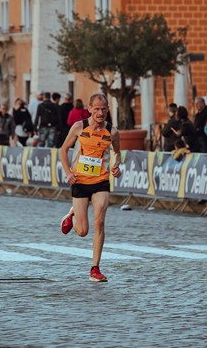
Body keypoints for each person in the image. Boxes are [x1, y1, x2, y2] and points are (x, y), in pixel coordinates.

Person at [59, 93, 122, 282]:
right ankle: (72, 215)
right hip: (79, 181)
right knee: (83, 231)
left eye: (104, 109)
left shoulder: (113, 132)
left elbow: (117, 153)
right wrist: (68, 172)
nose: (100, 113)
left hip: (101, 181)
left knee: (100, 223)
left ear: (108, 110)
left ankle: (95, 268)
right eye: (96, 109)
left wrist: (117, 166)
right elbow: (63, 150)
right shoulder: (79, 127)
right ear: (89, 109)